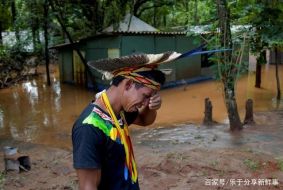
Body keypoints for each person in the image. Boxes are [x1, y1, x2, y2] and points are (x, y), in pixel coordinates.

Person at [72, 52, 181, 190]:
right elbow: (88, 186)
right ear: (128, 84)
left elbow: (144, 120)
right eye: (145, 96)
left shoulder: (119, 112)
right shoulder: (89, 127)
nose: (144, 103)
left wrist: (151, 107)